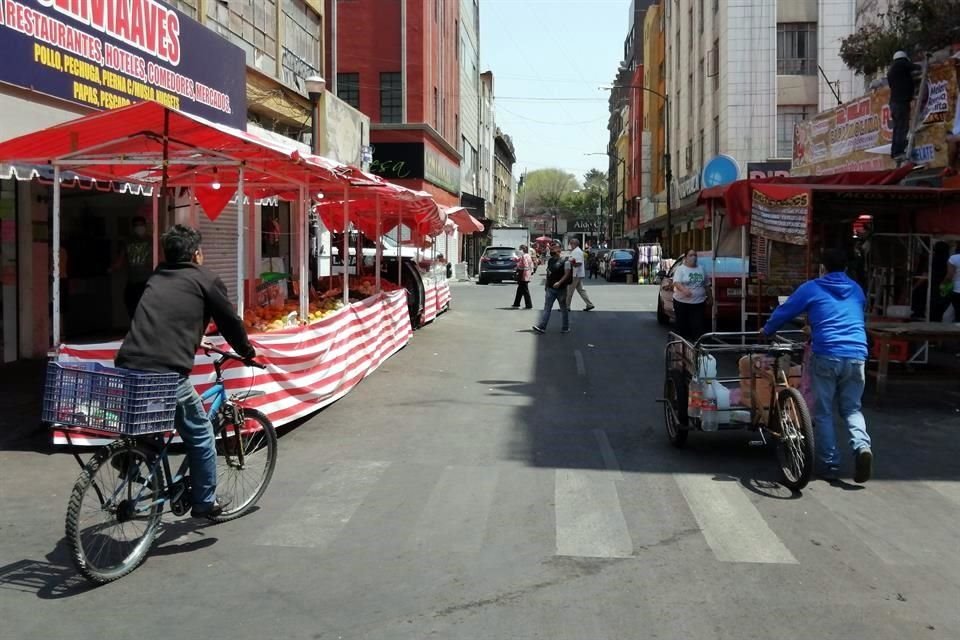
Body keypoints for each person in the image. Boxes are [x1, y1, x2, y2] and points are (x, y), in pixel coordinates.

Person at [116, 225, 257, 518]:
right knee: (202, 434)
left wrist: (191, 335)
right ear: (196, 253)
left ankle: (130, 455)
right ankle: (205, 501)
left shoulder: (157, 275)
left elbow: (157, 312)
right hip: (166, 371)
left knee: (150, 424)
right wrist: (246, 352)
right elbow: (230, 321)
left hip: (130, 362)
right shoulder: (205, 279)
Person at [761, 248, 873, 484]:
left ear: (822, 268)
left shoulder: (812, 287)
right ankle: (862, 447)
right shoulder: (856, 289)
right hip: (857, 353)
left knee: (823, 413)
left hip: (827, 354)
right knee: (852, 409)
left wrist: (767, 330)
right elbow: (846, 316)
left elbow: (785, 310)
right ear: (845, 268)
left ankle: (830, 464)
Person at [112, 215, 154, 319]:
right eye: (136, 225)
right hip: (132, 281)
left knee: (145, 309)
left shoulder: (151, 241)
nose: (139, 228)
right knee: (131, 306)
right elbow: (120, 260)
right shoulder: (128, 241)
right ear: (133, 227)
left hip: (147, 280)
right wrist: (111, 268)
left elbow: (158, 258)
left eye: (141, 225)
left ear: (145, 226)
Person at [532, 241, 571, 334]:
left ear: (560, 249)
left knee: (563, 309)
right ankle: (542, 327)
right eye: (552, 248)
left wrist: (559, 282)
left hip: (561, 289)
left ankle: (565, 327)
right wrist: (546, 284)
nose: (552, 250)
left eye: (555, 248)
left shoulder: (566, 261)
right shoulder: (550, 260)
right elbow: (548, 273)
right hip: (550, 289)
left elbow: (567, 274)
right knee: (547, 308)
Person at [670, 249, 709, 341]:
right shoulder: (681, 269)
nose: (693, 257)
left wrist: (710, 297)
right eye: (691, 255)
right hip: (682, 302)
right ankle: (680, 345)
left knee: (698, 325)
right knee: (682, 326)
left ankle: (696, 346)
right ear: (686, 258)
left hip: (698, 302)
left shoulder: (701, 269)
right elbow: (676, 282)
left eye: (695, 255)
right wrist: (684, 290)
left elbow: (706, 284)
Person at [887, 51, 920, 161]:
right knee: (902, 127)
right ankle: (898, 152)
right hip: (901, 103)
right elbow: (914, 67)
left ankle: (895, 151)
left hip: (895, 103)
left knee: (898, 128)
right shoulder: (900, 64)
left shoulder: (892, 70)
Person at [565, 238, 595, 311]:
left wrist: (571, 262)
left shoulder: (577, 252)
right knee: (581, 290)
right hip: (577, 274)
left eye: (571, 243)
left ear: (574, 244)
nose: (570, 245)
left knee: (569, 290)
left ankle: (566, 306)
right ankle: (589, 304)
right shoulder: (575, 251)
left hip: (575, 274)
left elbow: (578, 263)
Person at [512, 244, 534, 309]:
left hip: (523, 275)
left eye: (520, 249)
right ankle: (516, 303)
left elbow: (525, 266)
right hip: (526, 274)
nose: (519, 250)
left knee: (525, 290)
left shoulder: (524, 256)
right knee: (520, 290)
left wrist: (520, 269)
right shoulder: (527, 256)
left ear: (523, 250)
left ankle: (529, 305)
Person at [944, 242, 960, 321]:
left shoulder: (953, 258)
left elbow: (949, 275)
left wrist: (944, 285)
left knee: (958, 313)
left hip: (957, 290)